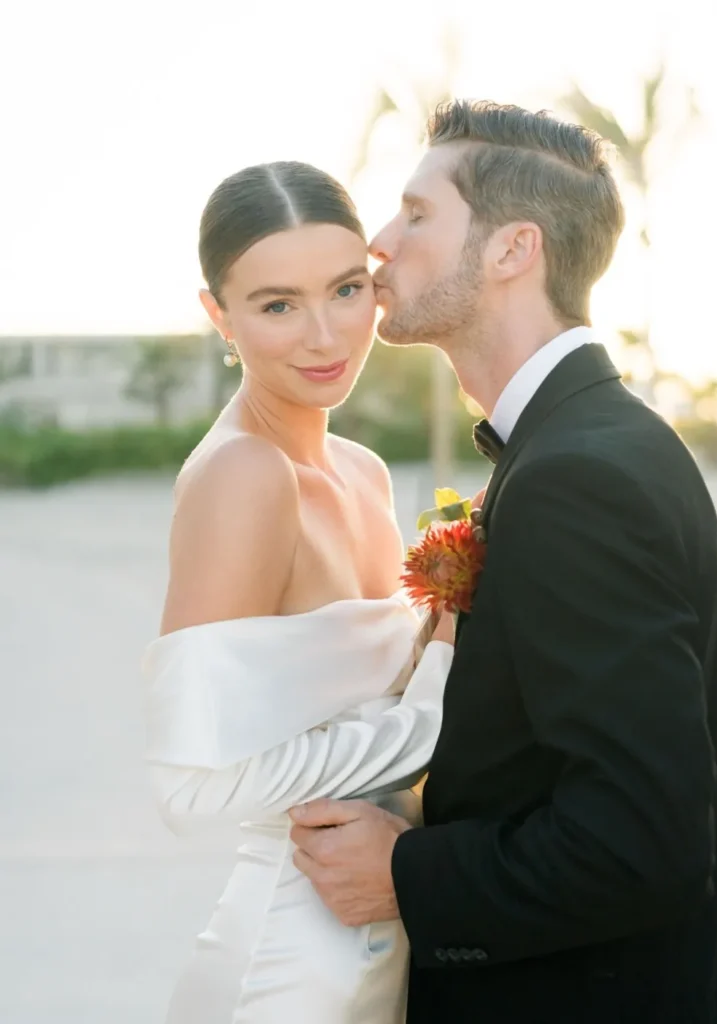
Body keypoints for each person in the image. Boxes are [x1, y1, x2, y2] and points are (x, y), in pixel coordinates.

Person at [289, 101, 717, 1024]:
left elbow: (641, 845)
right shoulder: (574, 447)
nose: (379, 241)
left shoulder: (578, 477)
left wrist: (402, 873)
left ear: (510, 250)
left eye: (416, 214)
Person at [142, 161, 454, 1024]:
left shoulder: (362, 470)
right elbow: (191, 785)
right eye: (278, 305)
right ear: (220, 316)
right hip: (289, 962)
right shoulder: (244, 476)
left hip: (378, 937)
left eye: (346, 289)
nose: (324, 336)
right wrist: (432, 697)